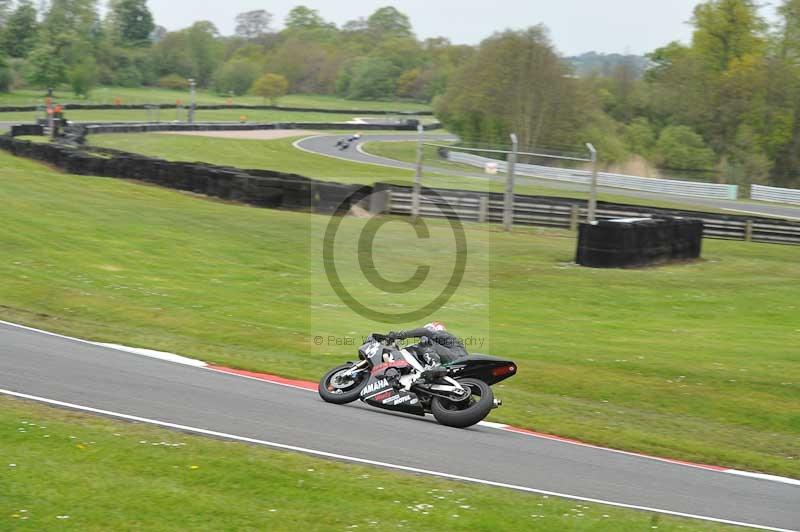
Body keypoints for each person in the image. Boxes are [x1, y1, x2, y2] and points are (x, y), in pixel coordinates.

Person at [387, 321, 467, 366]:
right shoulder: (441, 345)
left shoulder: (442, 335)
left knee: (424, 344)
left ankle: (435, 366)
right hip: (455, 360)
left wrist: (399, 335)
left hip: (457, 359)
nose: (421, 337)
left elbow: (425, 332)